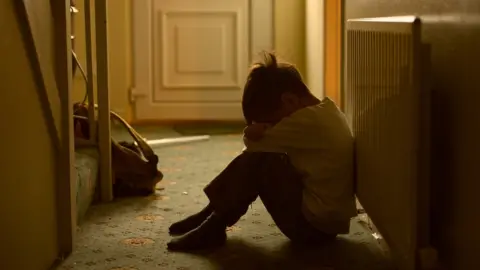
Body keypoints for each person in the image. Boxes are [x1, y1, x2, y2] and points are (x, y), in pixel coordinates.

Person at [166, 53, 357, 251]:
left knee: (261, 161)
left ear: (290, 100)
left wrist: (250, 131)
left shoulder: (307, 122)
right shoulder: (325, 112)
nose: (270, 126)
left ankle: (214, 222)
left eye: (271, 122)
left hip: (312, 230)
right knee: (265, 158)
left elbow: (253, 146)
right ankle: (212, 215)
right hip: (326, 224)